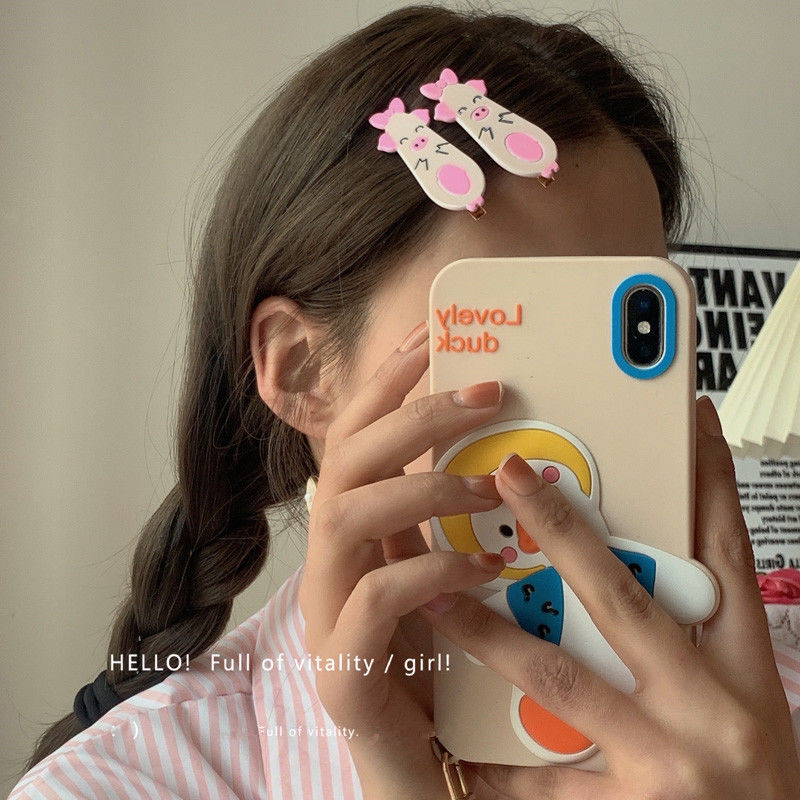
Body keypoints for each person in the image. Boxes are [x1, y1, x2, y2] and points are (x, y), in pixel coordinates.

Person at [9, 4, 800, 799]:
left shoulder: (774, 719)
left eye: (624, 335)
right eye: (516, 331)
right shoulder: (119, 785)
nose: (581, 432)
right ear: (302, 369)